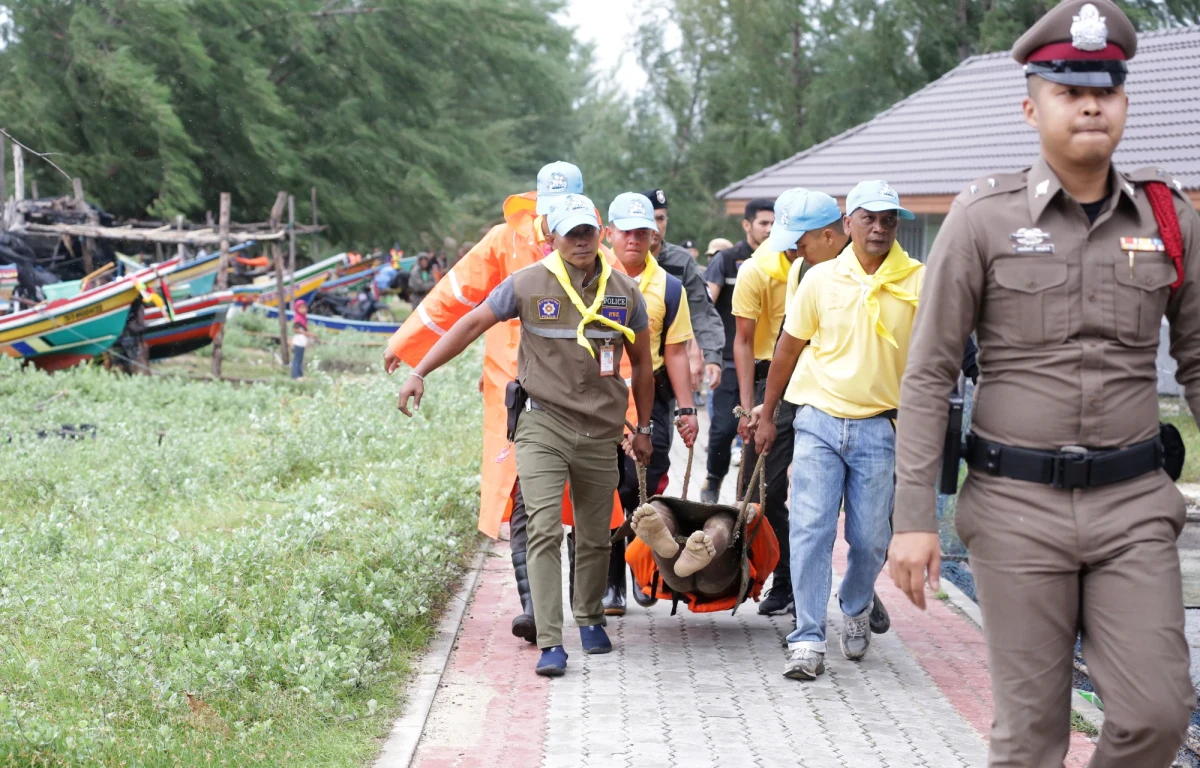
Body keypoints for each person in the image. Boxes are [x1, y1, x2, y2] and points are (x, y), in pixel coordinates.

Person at [889, 1, 1200, 763]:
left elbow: (1196, 361)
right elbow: (929, 371)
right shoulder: (981, 218)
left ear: (1125, 101)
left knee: (1159, 714)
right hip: (1016, 507)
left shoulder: (1168, 219)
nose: (1091, 103)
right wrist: (912, 518)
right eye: (1069, 89)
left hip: (1133, 505)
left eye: (1107, 88)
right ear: (1031, 107)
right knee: (1032, 734)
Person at [395, 193, 655, 676]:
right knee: (541, 526)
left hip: (601, 428)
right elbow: (471, 322)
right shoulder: (527, 284)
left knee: (597, 535)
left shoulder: (623, 291)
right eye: (570, 232)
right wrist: (420, 370)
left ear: (600, 234)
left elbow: (641, 364)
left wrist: (642, 427)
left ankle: (591, 615)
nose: (581, 241)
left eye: (588, 232)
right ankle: (551, 639)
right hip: (543, 423)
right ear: (551, 236)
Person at [751, 183, 921, 680]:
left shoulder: (918, 281)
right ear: (848, 224)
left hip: (879, 426)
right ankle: (806, 639)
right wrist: (766, 414)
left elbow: (936, 357)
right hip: (818, 422)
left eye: (889, 219)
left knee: (870, 540)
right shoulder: (820, 279)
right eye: (868, 218)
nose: (879, 227)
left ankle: (856, 603)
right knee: (810, 531)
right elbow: (786, 349)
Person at [603, 192, 700, 614]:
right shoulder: (589, 277)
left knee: (643, 485)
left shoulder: (669, 287)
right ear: (609, 233)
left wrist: (687, 409)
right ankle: (611, 586)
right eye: (626, 231)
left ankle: (643, 570)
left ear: (654, 235)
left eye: (643, 232)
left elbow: (676, 351)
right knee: (607, 489)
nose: (635, 239)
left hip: (649, 397)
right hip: (599, 396)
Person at [702, 198, 774, 505]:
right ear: (746, 225)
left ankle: (746, 499)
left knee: (759, 434)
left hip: (769, 363)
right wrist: (709, 354)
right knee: (723, 429)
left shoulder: (785, 262)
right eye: (763, 223)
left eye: (774, 224)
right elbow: (704, 305)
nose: (769, 230)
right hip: (731, 359)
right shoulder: (728, 260)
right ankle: (713, 481)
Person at [291, 299, 315, 380]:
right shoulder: (298, 319)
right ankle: (295, 375)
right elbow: (296, 329)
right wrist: (309, 334)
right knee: (297, 358)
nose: (303, 309)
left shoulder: (303, 318)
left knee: (300, 358)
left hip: (302, 341)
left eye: (304, 307)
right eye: (301, 307)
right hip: (298, 340)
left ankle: (300, 374)